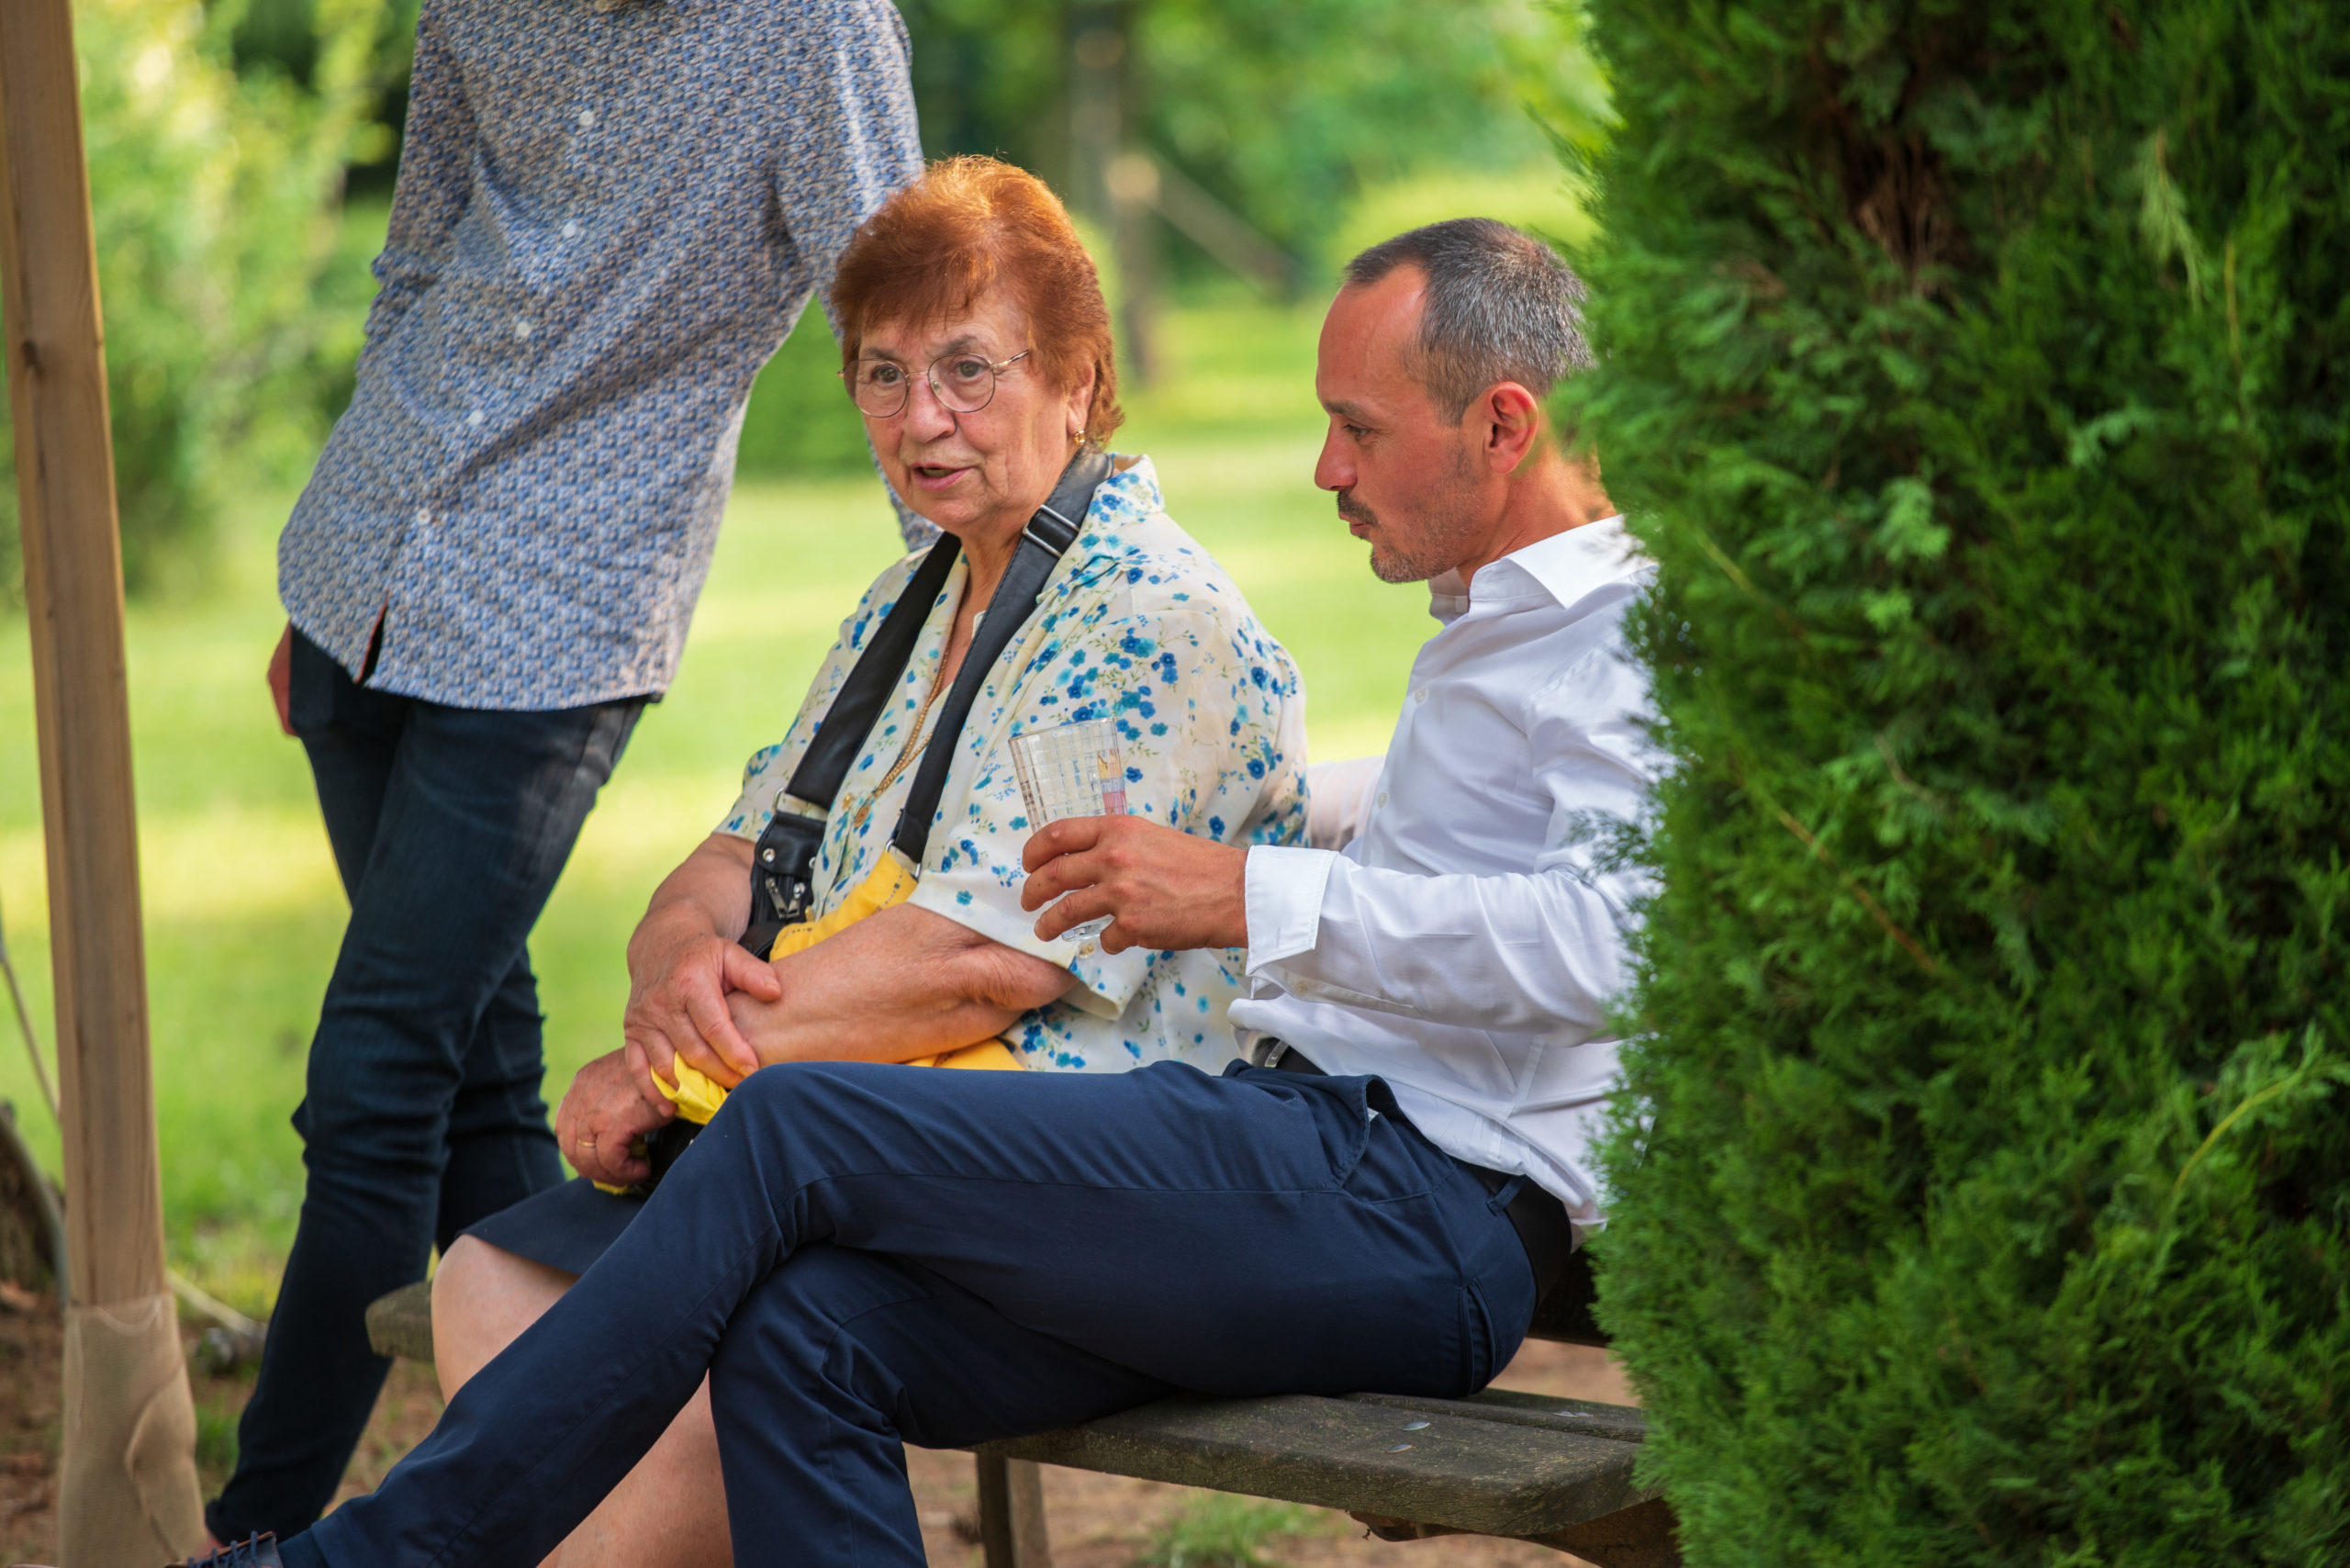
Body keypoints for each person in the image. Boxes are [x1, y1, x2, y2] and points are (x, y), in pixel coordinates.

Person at [151, 216, 1657, 1568]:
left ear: (1502, 425)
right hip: (1315, 1158)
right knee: (807, 1334)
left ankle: (377, 1558)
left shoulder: (1613, 639)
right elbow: (1472, 856)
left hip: (1417, 1201)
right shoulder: (1498, 624)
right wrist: (1304, 820)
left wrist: (1255, 894)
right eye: (883, 374)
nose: (1325, 468)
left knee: (793, 1127)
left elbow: (1620, 944)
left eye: (1356, 428)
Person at [420, 154, 1307, 1568]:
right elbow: (737, 857)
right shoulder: (907, 600)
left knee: (729, 1330)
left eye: (968, 370)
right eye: (882, 375)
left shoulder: (1145, 616)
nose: (921, 417)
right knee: (487, 1275)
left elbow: (977, 966)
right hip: (838, 1126)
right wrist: (673, 977)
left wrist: (671, 1074)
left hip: (1075, 1179)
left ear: (1077, 377)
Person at [207, 0, 924, 1549]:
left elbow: (909, 311)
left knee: (376, 1077)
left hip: (558, 621)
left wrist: (975, 615)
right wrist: (342, 578)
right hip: (358, 586)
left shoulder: (811, 29)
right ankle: (561, 1514)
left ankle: (255, 1536)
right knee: (474, 1069)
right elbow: (417, 261)